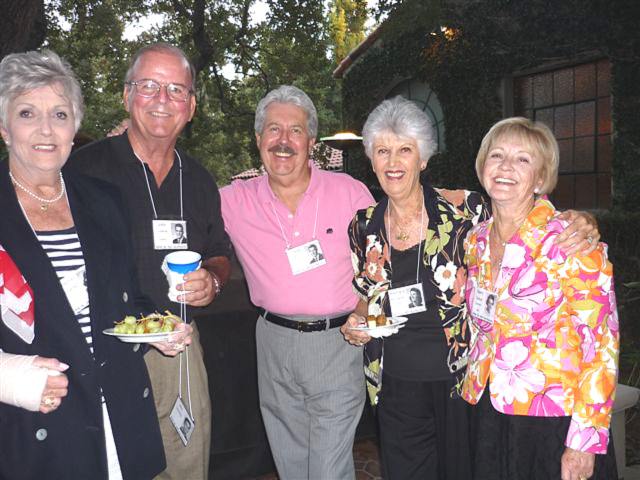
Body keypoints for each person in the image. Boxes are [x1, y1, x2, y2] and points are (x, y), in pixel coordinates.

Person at [340, 97, 600, 480]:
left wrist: (583, 219)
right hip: (393, 382)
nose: (393, 162)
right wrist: (357, 321)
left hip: (459, 381)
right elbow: (369, 296)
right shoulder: (363, 226)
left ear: (423, 158)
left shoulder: (466, 210)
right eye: (382, 151)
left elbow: (526, 208)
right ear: (372, 160)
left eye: (405, 150)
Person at [0, 49, 191, 479]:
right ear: (4, 128)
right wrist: (10, 378)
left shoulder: (103, 200)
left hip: (119, 416)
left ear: (75, 127)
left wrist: (156, 331)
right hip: (37, 426)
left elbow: (128, 303)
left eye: (61, 114)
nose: (46, 130)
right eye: (28, 113)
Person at [65, 43, 231, 480]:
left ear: (191, 107)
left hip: (179, 346)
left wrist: (212, 280)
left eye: (176, 90)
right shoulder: (83, 171)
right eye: (149, 86)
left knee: (187, 465)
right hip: (105, 350)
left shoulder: (197, 179)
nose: (162, 99)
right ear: (126, 96)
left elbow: (220, 252)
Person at [220, 85, 374, 479]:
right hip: (272, 341)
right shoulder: (233, 200)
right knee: (290, 462)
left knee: (327, 468)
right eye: (273, 130)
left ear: (312, 142)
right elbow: (179, 208)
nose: (283, 141)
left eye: (295, 131)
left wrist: (363, 308)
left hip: (337, 341)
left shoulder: (350, 192)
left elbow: (384, 259)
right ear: (258, 140)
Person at [461, 117, 619, 480]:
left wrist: (583, 442)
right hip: (489, 409)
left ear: (541, 176)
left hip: (553, 419)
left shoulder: (570, 240)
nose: (505, 167)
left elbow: (602, 346)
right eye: (497, 155)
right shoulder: (477, 240)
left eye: (523, 160)